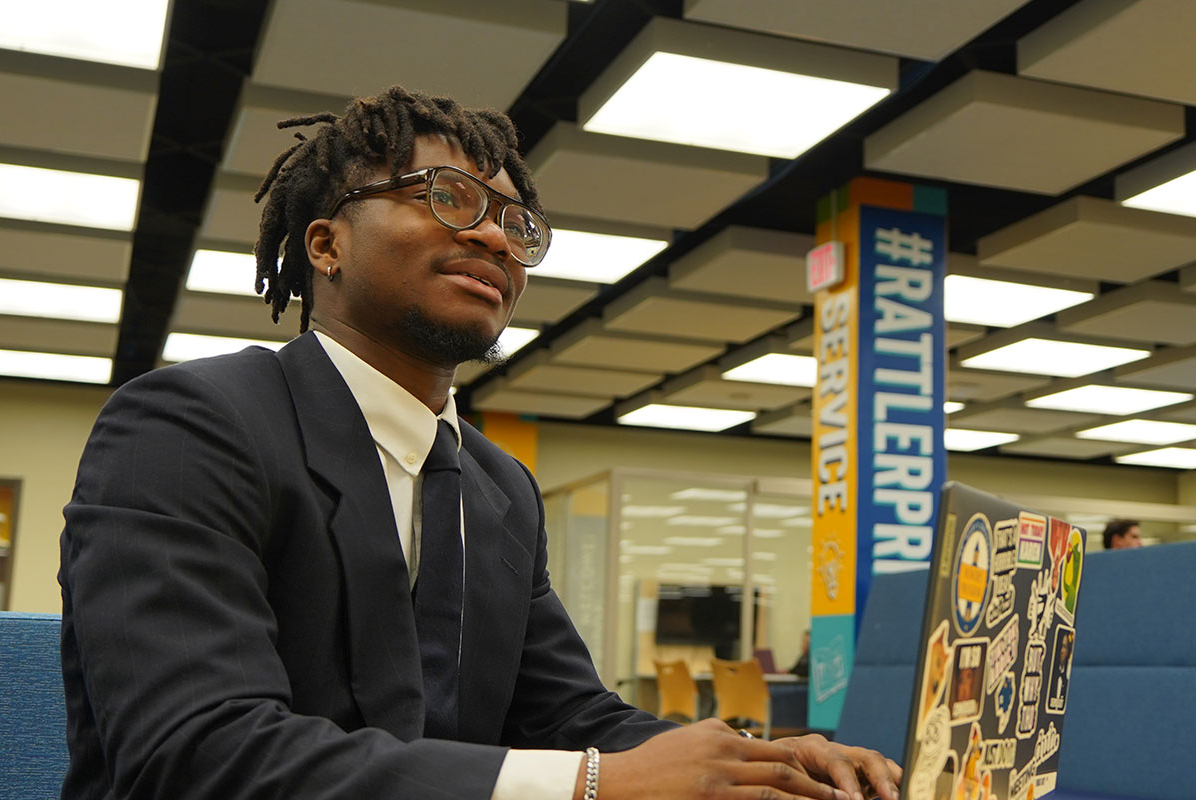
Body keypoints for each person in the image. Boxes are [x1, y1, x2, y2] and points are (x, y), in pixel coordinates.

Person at [58, 86, 899, 800]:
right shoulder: (190, 426)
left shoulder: (501, 487)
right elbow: (196, 754)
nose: (496, 238)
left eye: (515, 223)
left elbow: (569, 715)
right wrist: (593, 784)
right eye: (448, 197)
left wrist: (765, 765)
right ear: (326, 243)